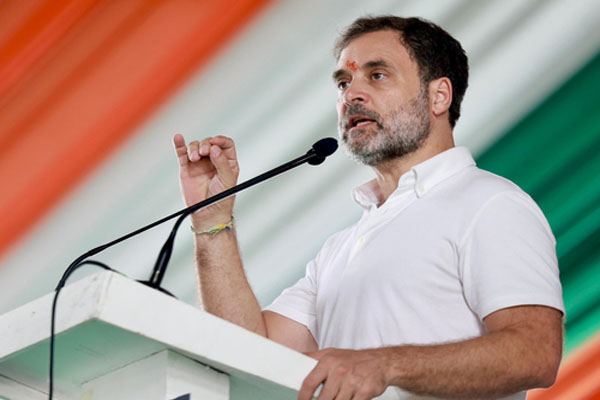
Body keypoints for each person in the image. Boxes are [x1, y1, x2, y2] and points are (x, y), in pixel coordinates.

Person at [172, 16, 564, 400]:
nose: (351, 95)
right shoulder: (339, 249)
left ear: (439, 96)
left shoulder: (490, 203)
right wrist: (212, 219)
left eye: (377, 75)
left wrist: (385, 365)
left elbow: (535, 353)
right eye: (343, 82)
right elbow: (247, 354)